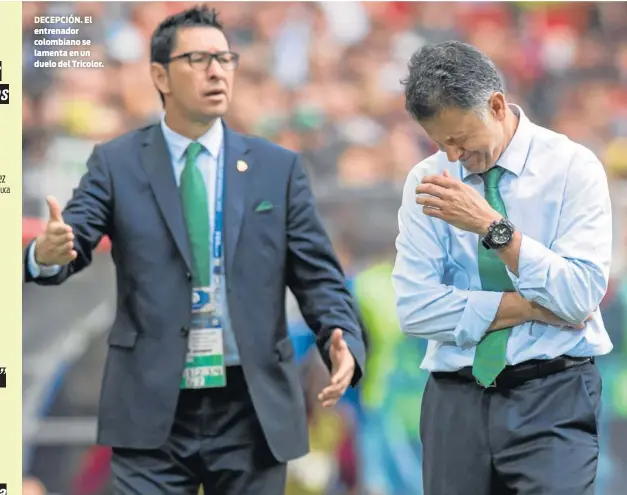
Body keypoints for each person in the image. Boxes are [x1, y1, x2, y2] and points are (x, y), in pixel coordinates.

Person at [23, 6, 366, 494]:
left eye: (225, 58)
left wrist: (341, 335)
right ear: (160, 75)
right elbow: (70, 240)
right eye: (198, 59)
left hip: (251, 409)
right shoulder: (117, 163)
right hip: (152, 406)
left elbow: (319, 277)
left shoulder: (277, 168)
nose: (216, 71)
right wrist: (47, 253)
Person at [392, 40, 612, 495]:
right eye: (439, 143)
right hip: (455, 398)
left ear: (495, 106)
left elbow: (579, 297)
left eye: (459, 139)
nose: (452, 156)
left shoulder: (573, 167)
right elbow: (415, 311)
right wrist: (529, 307)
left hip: (553, 393)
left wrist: (492, 228)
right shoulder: (427, 182)